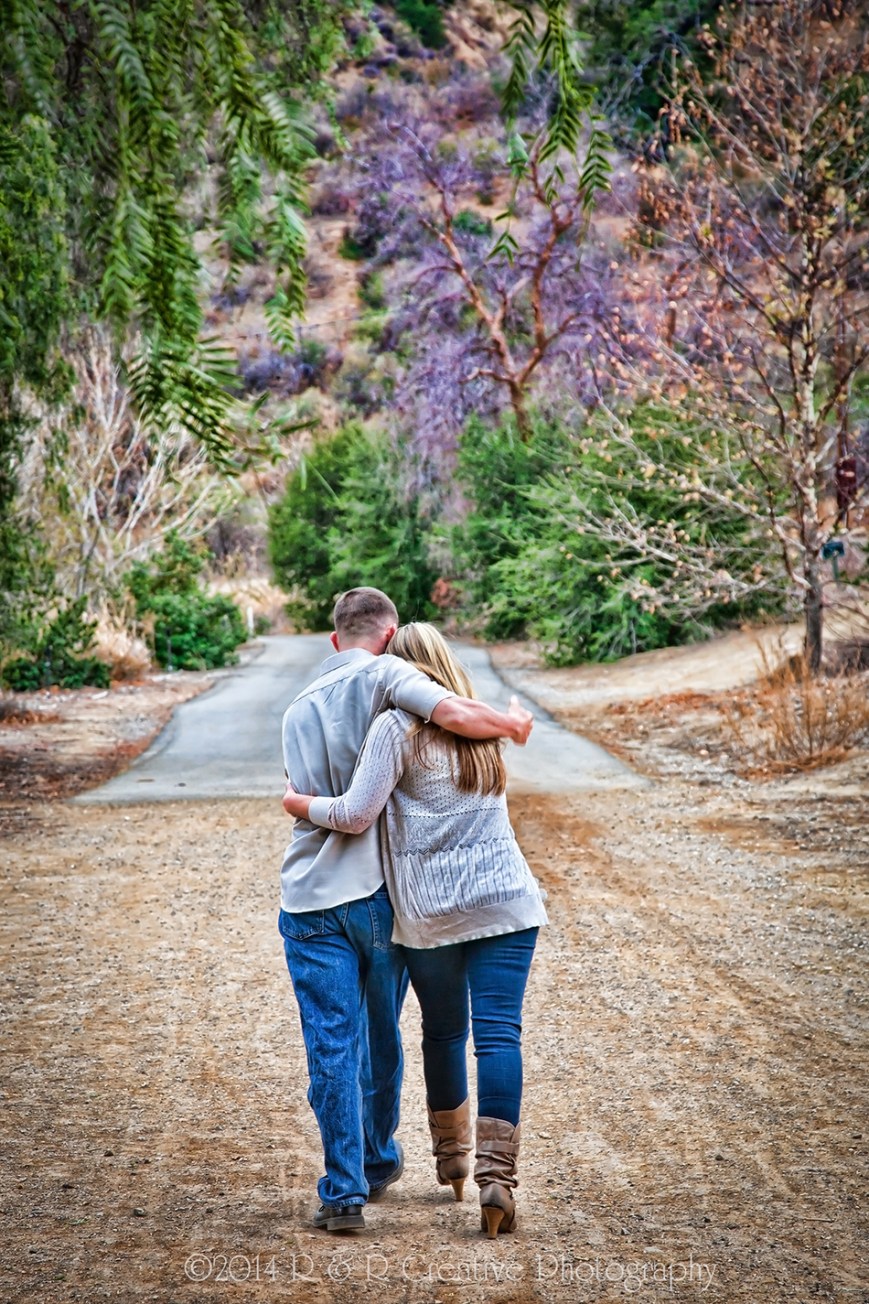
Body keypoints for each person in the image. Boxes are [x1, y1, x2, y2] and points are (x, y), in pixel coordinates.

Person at [278, 588, 534, 1234]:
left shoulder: (378, 723)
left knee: (426, 1035)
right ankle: (489, 1180)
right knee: (490, 1035)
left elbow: (357, 811)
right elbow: (459, 720)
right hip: (494, 901)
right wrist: (505, 722)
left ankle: (418, 1170)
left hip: (410, 914)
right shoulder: (479, 741)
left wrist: (297, 803)